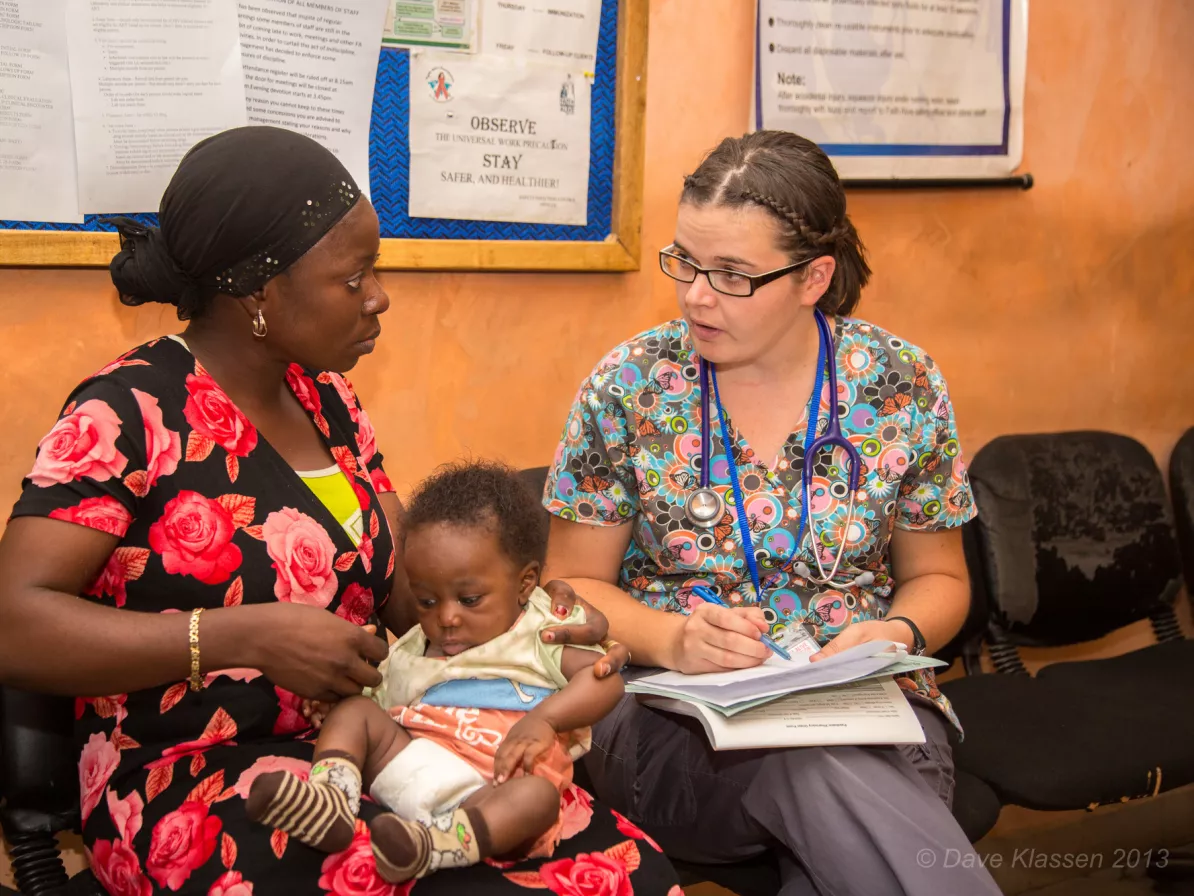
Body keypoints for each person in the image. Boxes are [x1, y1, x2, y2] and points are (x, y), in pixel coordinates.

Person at [0, 126, 678, 895]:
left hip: (379, 742)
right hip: (187, 776)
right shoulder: (127, 410)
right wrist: (237, 635)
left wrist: (531, 619)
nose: (379, 296)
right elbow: (14, 621)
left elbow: (406, 595)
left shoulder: (330, 402)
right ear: (260, 292)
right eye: (353, 279)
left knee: (625, 870)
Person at [541, 130, 1002, 895]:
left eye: (731, 274)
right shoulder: (630, 385)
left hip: (870, 713)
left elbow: (943, 580)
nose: (695, 294)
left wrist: (895, 632)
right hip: (673, 723)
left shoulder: (900, 382)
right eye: (685, 261)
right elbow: (568, 590)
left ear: (814, 277)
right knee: (816, 773)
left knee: (833, 828)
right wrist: (677, 640)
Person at [248, 461, 625, 883]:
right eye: (427, 601)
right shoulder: (412, 648)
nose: (446, 618)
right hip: (412, 766)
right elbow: (376, 708)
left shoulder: (539, 630)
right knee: (353, 714)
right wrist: (333, 706)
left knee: (538, 798)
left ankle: (435, 845)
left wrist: (546, 719)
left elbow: (603, 678)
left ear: (524, 584)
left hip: (492, 789)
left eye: (469, 599)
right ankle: (332, 794)